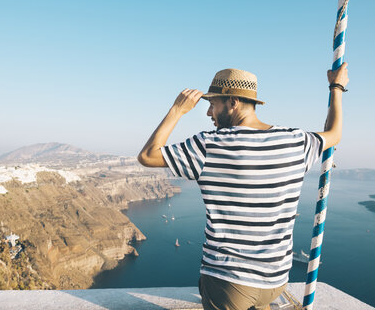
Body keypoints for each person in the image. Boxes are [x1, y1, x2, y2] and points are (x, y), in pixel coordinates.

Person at [137, 63, 348, 310]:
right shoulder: (295, 141)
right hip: (275, 282)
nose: (209, 113)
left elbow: (148, 155)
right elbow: (334, 132)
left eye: (212, 104)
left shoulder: (210, 145)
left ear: (232, 102)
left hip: (229, 283)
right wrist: (336, 87)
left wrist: (177, 110)